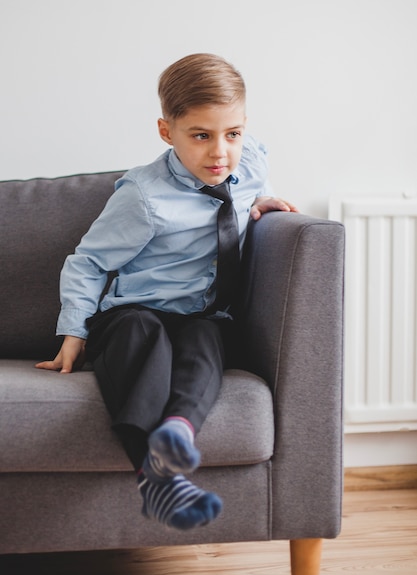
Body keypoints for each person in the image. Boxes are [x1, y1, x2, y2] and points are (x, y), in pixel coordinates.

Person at [36, 53, 298, 531]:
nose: (220, 152)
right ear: (166, 131)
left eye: (232, 134)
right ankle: (155, 476)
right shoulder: (143, 196)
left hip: (203, 316)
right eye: (201, 136)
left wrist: (262, 199)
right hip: (134, 312)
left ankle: (179, 429)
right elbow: (89, 261)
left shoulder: (250, 158)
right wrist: (74, 333)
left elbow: (254, 179)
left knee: (205, 341)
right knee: (144, 333)